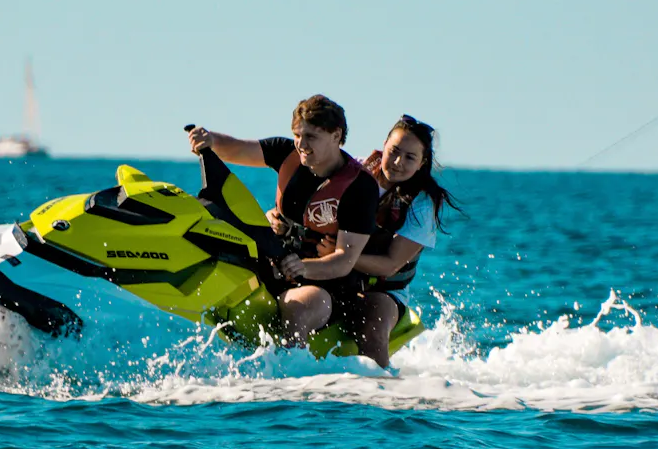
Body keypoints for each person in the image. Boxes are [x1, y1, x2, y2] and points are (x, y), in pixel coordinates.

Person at [186, 95, 382, 348]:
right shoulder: (285, 152)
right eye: (298, 135)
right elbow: (237, 148)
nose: (301, 144)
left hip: (324, 285)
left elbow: (345, 260)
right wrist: (209, 140)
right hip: (274, 262)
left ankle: (289, 379)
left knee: (299, 307)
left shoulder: (360, 186)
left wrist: (303, 267)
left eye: (311, 137)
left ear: (336, 136)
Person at [347, 115, 458, 367]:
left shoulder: (421, 203)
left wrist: (338, 256)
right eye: (394, 151)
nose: (397, 162)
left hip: (383, 290)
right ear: (384, 145)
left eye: (410, 157)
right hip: (333, 272)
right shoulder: (353, 172)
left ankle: (380, 394)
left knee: (372, 324)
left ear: (422, 163)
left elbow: (389, 265)